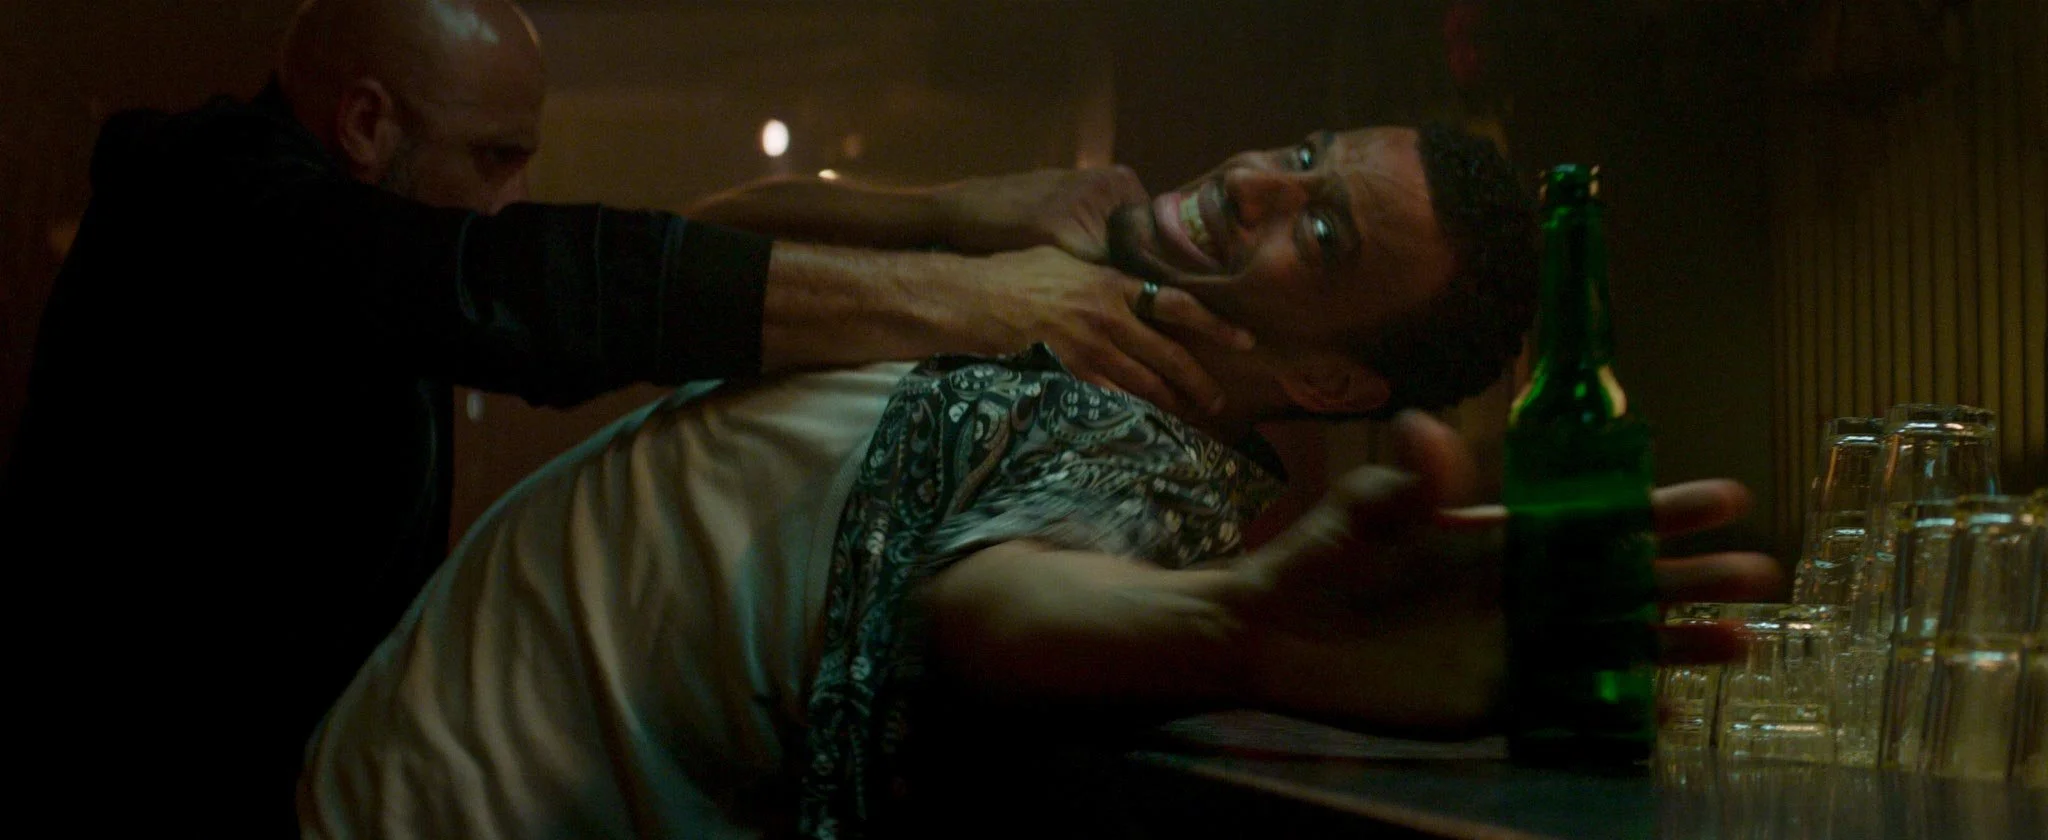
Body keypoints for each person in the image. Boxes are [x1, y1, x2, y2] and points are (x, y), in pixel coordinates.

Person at [297, 123, 1782, 839]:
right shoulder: (1048, 310)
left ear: (1332, 384)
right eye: (1301, 155)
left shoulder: (1151, 460)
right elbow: (706, 244)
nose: (1255, 186)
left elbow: (994, 604)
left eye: (1319, 235)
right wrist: (958, 220)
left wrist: (1236, 630)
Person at [1, 0, 1243, 827]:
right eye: (496, 157)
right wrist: (977, 301)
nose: (514, 193)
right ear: (367, 124)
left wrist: (949, 215)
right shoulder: (214, 202)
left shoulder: (335, 226)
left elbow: (684, 246)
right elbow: (543, 291)